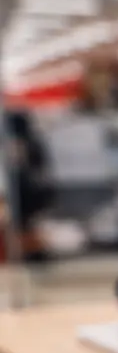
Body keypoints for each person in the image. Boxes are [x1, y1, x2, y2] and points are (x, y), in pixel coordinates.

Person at [5, 110, 54, 262]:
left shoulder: (28, 144)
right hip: (26, 194)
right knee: (26, 226)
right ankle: (29, 253)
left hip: (26, 195)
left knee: (27, 226)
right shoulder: (30, 142)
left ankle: (30, 254)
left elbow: (39, 168)